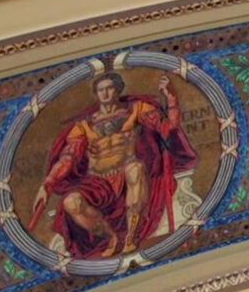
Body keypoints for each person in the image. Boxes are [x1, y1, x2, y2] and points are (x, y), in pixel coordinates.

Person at [30, 70, 197, 259]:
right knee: (71, 202)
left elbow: (168, 128)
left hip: (127, 173)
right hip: (98, 182)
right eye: (101, 90)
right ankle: (111, 237)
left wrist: (171, 98)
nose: (105, 93)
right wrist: (47, 184)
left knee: (135, 169)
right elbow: (68, 157)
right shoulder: (83, 126)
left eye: (110, 88)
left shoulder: (136, 109)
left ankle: (131, 236)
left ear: (118, 90)